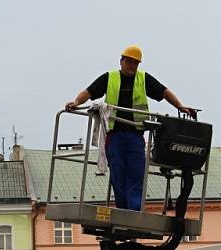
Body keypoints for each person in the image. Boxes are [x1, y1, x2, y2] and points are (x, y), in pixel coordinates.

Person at [65, 45, 196, 211]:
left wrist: (180, 105)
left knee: (136, 173)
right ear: (121, 61)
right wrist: (76, 102)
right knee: (118, 174)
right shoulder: (110, 77)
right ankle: (122, 210)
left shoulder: (143, 79)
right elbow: (89, 91)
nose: (132, 66)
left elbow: (163, 91)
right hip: (115, 135)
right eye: (129, 62)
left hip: (135, 135)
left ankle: (133, 211)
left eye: (135, 63)